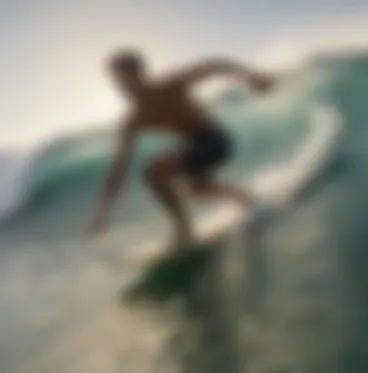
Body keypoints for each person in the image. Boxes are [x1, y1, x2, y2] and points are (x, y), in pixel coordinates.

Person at [90, 49, 275, 248]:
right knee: (195, 190)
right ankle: (247, 200)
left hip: (215, 140)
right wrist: (104, 208)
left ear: (139, 74)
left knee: (153, 171)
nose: (121, 87)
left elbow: (214, 65)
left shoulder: (171, 85)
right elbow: (119, 164)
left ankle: (183, 229)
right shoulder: (133, 119)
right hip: (194, 147)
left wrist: (251, 77)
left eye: (124, 80)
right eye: (117, 83)